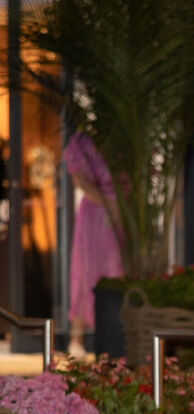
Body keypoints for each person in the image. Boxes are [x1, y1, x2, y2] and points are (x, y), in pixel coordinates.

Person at [63, 132, 123, 358]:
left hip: (120, 211)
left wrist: (118, 207)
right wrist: (108, 202)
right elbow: (79, 180)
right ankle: (76, 338)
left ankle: (112, 335)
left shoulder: (123, 138)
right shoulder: (80, 142)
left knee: (115, 270)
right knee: (86, 271)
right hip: (94, 213)